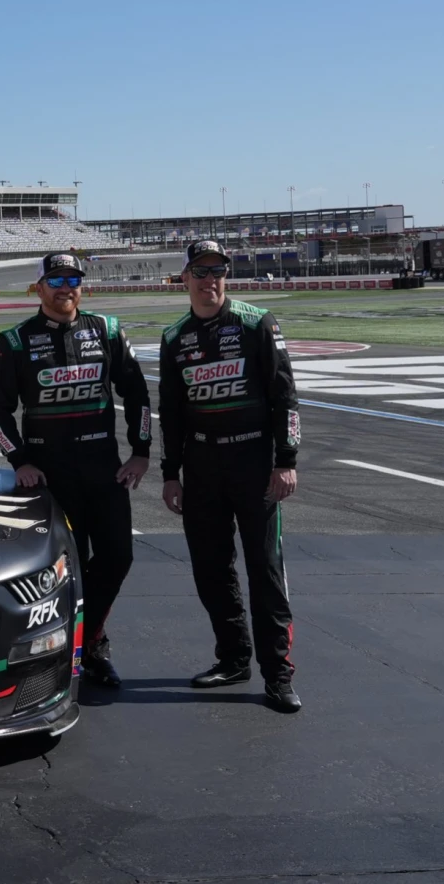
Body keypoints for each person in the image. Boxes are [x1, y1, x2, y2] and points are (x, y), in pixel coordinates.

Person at [0, 252, 152, 687]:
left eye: (73, 279)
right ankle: (67, 651)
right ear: (39, 288)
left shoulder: (107, 330)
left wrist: (141, 450)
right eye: (55, 280)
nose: (65, 287)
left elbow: (138, 395)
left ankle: (89, 638)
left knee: (118, 557)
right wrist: (20, 461)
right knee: (64, 567)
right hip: (50, 476)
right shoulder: (16, 340)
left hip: (104, 469)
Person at [158, 240, 302, 713]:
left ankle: (278, 675)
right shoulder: (174, 337)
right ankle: (234, 657)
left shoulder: (257, 322)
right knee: (211, 571)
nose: (209, 281)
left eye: (217, 271)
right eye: (199, 272)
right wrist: (170, 474)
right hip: (202, 470)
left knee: (265, 572)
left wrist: (287, 460)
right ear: (184, 279)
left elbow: (286, 397)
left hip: (255, 466)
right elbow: (171, 412)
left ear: (226, 277)